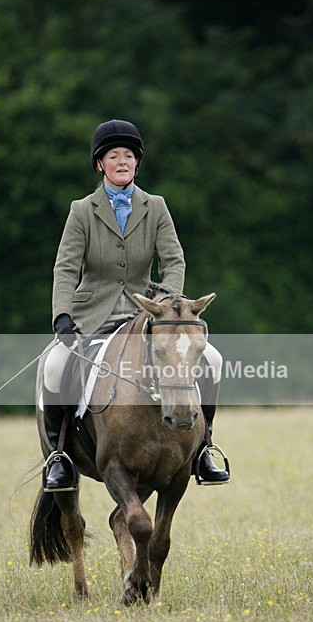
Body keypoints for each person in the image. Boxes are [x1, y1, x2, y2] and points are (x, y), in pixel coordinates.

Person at [42, 119, 230, 491]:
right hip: (93, 317)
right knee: (54, 366)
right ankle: (59, 455)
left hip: (149, 315)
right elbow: (65, 267)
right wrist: (62, 316)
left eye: (128, 155)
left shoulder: (156, 206)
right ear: (101, 164)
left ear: (137, 163)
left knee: (213, 359)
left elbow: (173, 261)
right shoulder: (81, 210)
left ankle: (204, 448)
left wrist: (169, 305)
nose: (122, 161)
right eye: (114, 156)